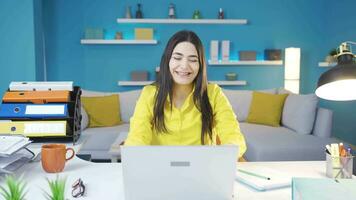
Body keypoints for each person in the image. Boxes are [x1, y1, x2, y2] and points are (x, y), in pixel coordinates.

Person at [125, 30, 246, 159]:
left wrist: (228, 151)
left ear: (200, 65)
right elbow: (137, 136)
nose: (184, 66)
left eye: (193, 60)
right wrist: (135, 156)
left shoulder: (214, 94)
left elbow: (233, 134)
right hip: (161, 170)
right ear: (167, 61)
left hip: (203, 169)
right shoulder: (149, 94)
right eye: (177, 58)